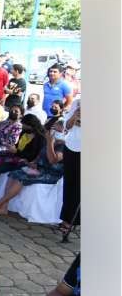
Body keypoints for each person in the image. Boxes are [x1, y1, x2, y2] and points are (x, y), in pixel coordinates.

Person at [0, 121, 66, 216]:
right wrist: (32, 163)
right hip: (38, 169)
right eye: (54, 129)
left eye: (59, 131)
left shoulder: (63, 146)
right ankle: (3, 208)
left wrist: (50, 143)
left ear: (65, 133)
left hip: (50, 174)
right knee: (12, 174)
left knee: (21, 179)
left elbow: (52, 160)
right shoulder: (49, 142)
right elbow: (38, 157)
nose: (54, 133)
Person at [0, 113, 46, 185]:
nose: (25, 129)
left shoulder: (40, 139)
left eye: (27, 128)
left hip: (25, 161)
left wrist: (16, 151)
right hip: (16, 156)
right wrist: (12, 147)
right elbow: (18, 145)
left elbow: (33, 156)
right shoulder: (24, 132)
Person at [58, 100, 81, 233]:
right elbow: (68, 126)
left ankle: (73, 221)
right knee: (69, 184)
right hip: (71, 146)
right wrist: (74, 117)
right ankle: (65, 217)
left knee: (79, 187)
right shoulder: (77, 103)